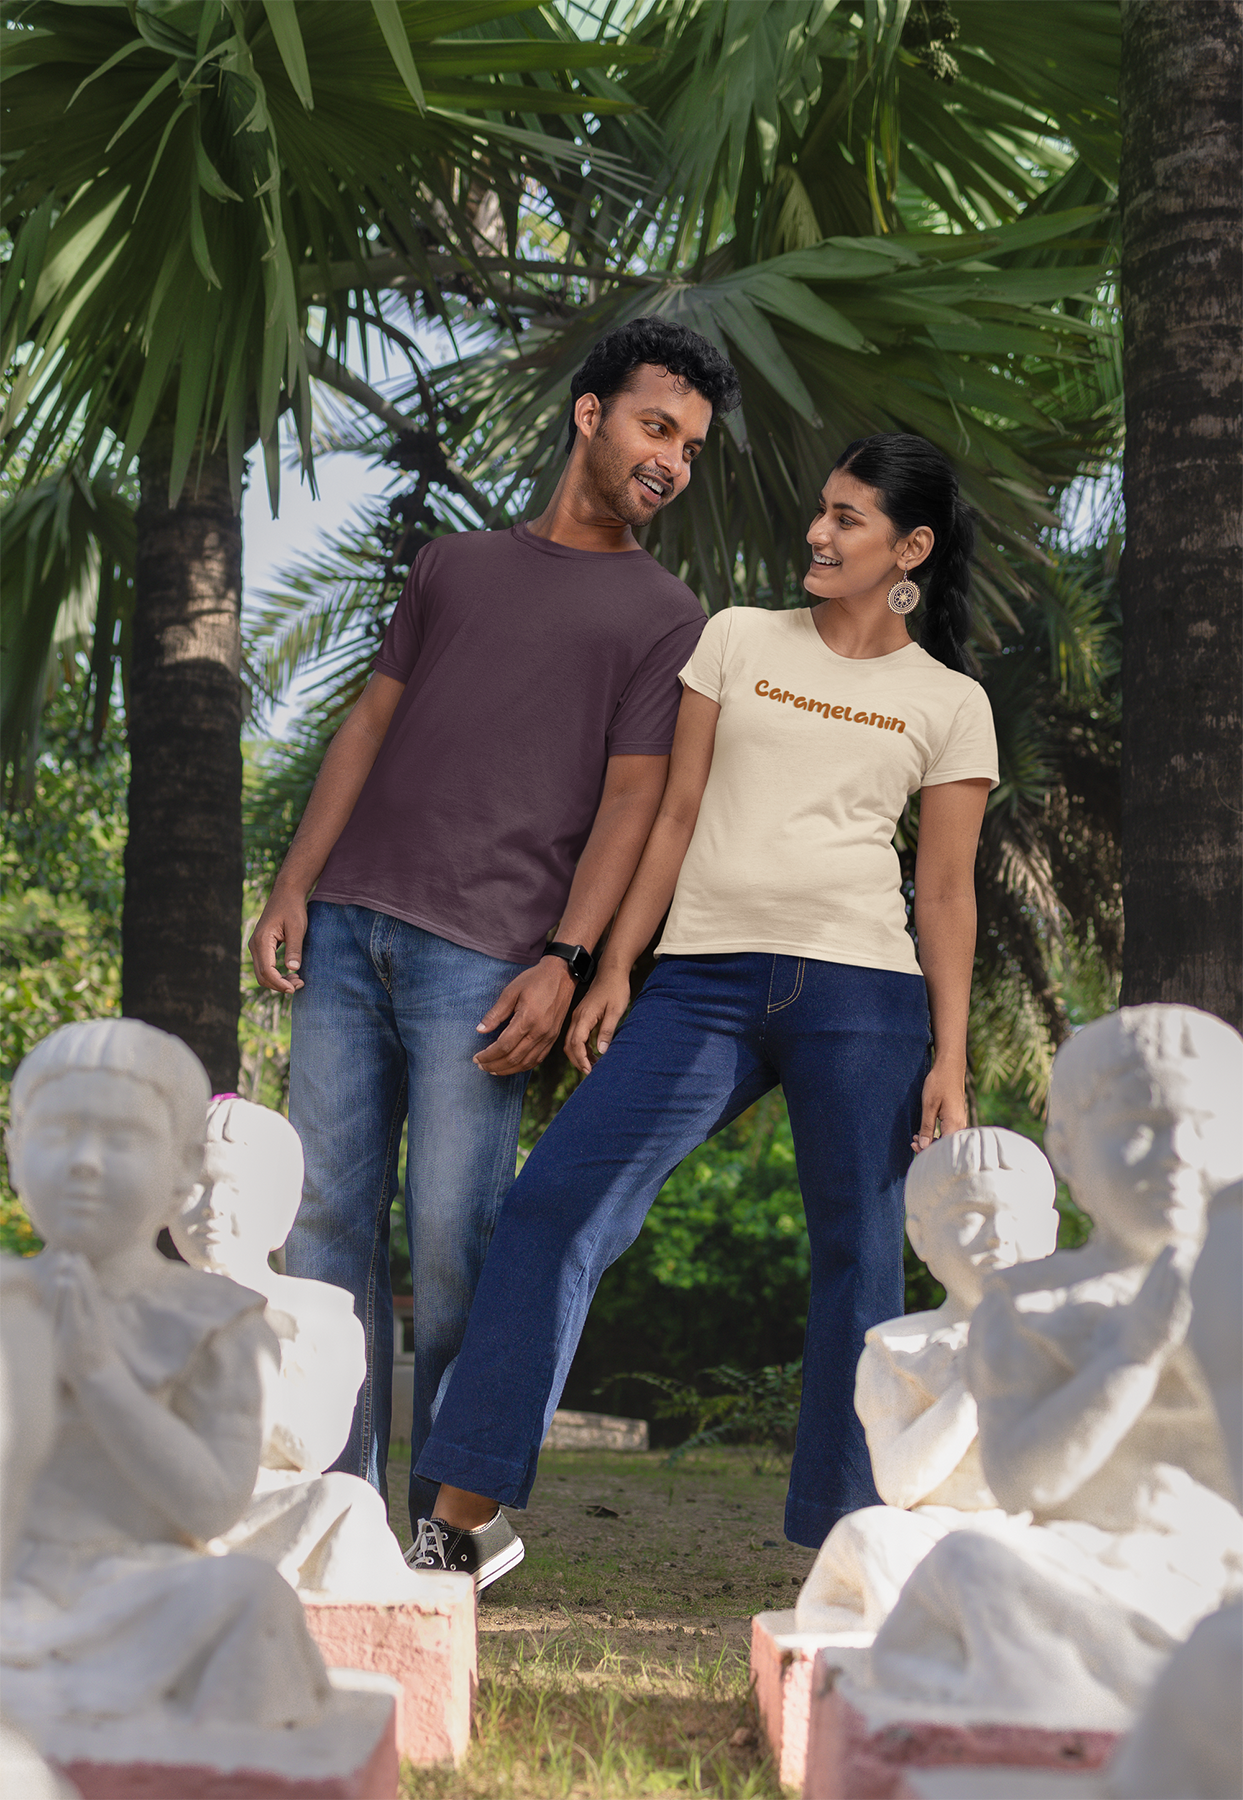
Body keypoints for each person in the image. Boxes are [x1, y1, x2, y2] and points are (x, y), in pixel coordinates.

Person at [406, 431, 1000, 1590]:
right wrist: (612, 965)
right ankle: (458, 1524)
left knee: (858, 1262)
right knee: (552, 1208)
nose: (819, 535)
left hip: (863, 994)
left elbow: (941, 890)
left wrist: (952, 1057)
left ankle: (844, 1554)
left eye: (848, 521)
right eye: (820, 510)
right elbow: (673, 814)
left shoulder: (948, 701)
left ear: (909, 550)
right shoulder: (736, 638)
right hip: (703, 980)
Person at [248, 319, 741, 1515]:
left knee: (457, 1245)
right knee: (322, 1227)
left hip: (488, 959)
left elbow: (634, 800)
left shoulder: (664, 612)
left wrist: (566, 961)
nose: (671, 459)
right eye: (655, 426)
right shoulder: (452, 565)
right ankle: (335, 1509)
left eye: (689, 446)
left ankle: (444, 1528)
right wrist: (292, 882)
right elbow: (365, 726)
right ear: (591, 415)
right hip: (351, 926)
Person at [869, 1005, 1243, 1727]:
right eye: (1138, 1127)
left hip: (1220, 1567)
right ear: (1067, 1154)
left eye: (1205, 1124)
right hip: (1086, 1567)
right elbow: (1022, 1479)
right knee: (970, 1570)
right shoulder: (1028, 1303)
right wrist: (1129, 1356)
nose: (1175, 1152)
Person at [795, 1126, 1058, 1635]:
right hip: (939, 1535)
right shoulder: (898, 1353)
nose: (999, 1235)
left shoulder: (1075, 1335)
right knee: (868, 1534)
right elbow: (898, 1485)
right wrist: (975, 1384)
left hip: (1044, 1534)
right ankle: (931, 1652)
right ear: (920, 1237)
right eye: (969, 1216)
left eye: (1017, 1215)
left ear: (1048, 1231)